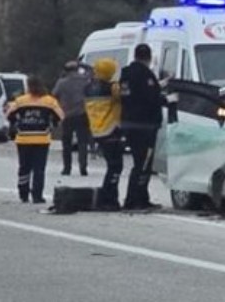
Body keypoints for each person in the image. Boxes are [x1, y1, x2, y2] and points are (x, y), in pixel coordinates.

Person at [118, 43, 166, 211]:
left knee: (141, 162)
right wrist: (166, 99)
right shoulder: (145, 75)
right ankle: (133, 200)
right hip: (144, 125)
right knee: (143, 164)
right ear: (149, 57)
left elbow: (130, 97)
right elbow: (149, 98)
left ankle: (141, 197)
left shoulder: (125, 74)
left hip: (129, 123)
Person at [6, 76, 64, 205]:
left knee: (24, 167)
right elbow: (60, 116)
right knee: (39, 169)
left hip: (23, 138)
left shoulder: (20, 101)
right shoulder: (50, 101)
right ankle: (37, 196)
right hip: (42, 139)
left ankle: (23, 193)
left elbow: (9, 115)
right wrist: (52, 124)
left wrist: (17, 123)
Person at [83, 58, 123, 208]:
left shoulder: (87, 88)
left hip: (97, 130)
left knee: (111, 165)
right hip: (111, 129)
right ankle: (109, 199)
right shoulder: (111, 88)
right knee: (115, 166)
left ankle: (107, 198)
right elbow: (122, 97)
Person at [52, 60, 91, 177]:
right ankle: (83, 167)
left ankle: (67, 168)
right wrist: (83, 64)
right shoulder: (84, 80)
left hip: (67, 115)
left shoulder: (62, 82)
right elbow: (93, 71)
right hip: (82, 114)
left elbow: (54, 95)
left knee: (67, 143)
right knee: (83, 143)